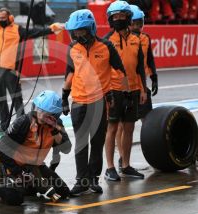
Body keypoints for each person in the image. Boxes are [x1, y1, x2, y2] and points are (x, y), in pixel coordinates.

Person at [0, 0, 63, 135]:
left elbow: (35, 32)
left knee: (17, 100)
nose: (1, 20)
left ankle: (21, 125)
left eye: (4, 18)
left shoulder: (18, 30)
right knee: (1, 101)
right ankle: (3, 126)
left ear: (10, 18)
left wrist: (51, 29)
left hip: (11, 71)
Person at [62, 9, 126, 196]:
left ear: (90, 28)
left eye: (81, 31)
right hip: (79, 104)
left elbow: (120, 70)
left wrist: (125, 93)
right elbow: (69, 74)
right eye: (74, 32)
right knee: (81, 144)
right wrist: (64, 98)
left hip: (99, 103)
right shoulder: (73, 48)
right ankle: (81, 181)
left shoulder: (106, 47)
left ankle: (93, 180)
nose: (77, 35)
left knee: (96, 144)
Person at [0, 90, 71, 203]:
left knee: (64, 192)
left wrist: (54, 130)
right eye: (38, 109)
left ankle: (31, 186)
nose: (39, 114)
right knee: (15, 198)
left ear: (54, 116)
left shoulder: (56, 125)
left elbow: (66, 149)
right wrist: (18, 172)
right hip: (14, 166)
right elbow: (0, 149)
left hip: (35, 166)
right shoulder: (24, 122)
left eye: (45, 113)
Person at [104, 1, 147, 182]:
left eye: (122, 16)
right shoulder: (106, 42)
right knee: (112, 128)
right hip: (115, 90)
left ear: (128, 18)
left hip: (134, 90)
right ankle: (110, 168)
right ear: (110, 19)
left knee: (129, 128)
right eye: (115, 17)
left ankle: (126, 165)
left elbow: (140, 69)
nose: (119, 19)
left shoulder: (136, 39)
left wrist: (143, 89)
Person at [116, 4, 158, 170]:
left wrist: (154, 78)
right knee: (122, 125)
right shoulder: (120, 38)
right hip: (124, 86)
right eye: (134, 23)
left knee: (147, 120)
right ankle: (122, 157)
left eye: (140, 23)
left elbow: (149, 61)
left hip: (141, 85)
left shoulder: (145, 38)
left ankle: (155, 152)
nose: (137, 27)